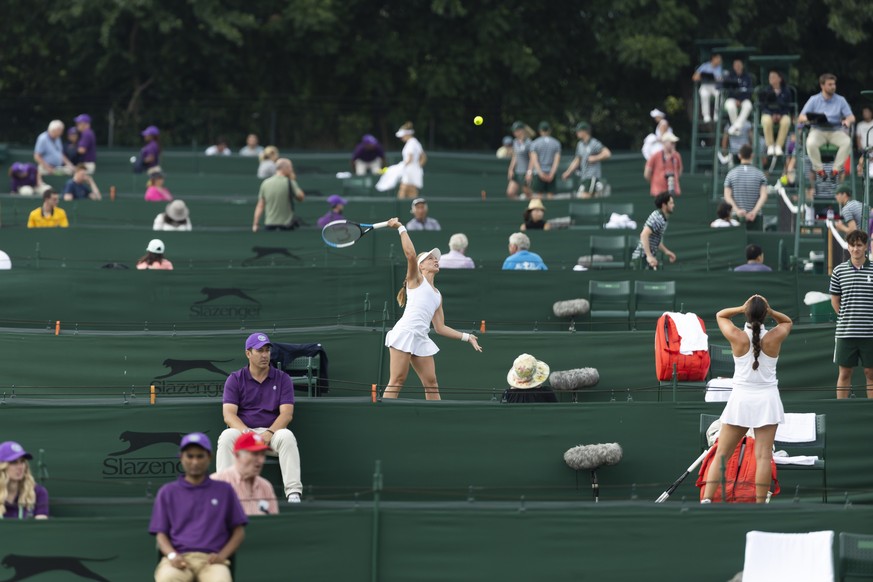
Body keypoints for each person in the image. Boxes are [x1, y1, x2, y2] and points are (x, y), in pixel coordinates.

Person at [701, 295, 793, 504]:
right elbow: (787, 321)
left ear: (746, 313)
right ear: (765, 314)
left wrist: (742, 308)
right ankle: (760, 505)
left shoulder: (737, 336)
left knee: (722, 454)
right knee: (762, 457)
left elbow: (720, 315)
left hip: (741, 400)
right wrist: (770, 311)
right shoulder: (774, 337)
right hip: (767, 401)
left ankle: (706, 500)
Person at [384, 219, 482, 400]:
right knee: (397, 380)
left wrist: (467, 337)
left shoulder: (438, 295)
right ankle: (380, 415)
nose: (435, 260)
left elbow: (440, 327)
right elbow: (410, 254)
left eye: (436, 258)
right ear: (420, 266)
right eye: (430, 258)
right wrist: (400, 228)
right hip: (405, 332)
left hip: (421, 337)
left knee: (431, 383)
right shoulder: (415, 280)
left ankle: (436, 414)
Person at [217, 332, 304, 502]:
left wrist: (269, 433)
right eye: (260, 351)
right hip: (244, 433)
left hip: (272, 434)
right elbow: (228, 415)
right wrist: (247, 433)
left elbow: (287, 413)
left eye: (267, 350)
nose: (265, 355)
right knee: (226, 436)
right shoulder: (235, 379)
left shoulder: (282, 378)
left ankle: (293, 494)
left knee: (287, 436)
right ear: (248, 353)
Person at [150, 433, 247, 582]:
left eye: (200, 456)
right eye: (190, 456)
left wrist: (222, 556)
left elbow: (238, 531)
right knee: (166, 578)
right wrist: (172, 556)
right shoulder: (167, 492)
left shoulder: (225, 490)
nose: (194, 461)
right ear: (181, 457)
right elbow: (161, 534)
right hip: (178, 560)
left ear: (209, 457)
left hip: (211, 561)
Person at [830, 229, 873, 399]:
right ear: (848, 247)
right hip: (845, 333)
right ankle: (842, 409)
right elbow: (835, 299)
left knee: (870, 373)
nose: (856, 249)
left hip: (870, 334)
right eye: (853, 245)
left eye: (859, 245)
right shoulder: (839, 271)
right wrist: (845, 317)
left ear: (866, 247)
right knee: (845, 373)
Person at [798, 73, 855, 182]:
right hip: (818, 130)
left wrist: (847, 121)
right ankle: (819, 170)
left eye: (834, 84)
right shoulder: (814, 99)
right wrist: (811, 118)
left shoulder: (840, 100)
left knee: (847, 142)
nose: (833, 86)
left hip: (835, 130)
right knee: (810, 143)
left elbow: (851, 117)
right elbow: (801, 117)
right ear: (822, 86)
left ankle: (836, 170)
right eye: (830, 84)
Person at [212, 432, 279, 516]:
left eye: (262, 455)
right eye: (255, 454)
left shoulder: (265, 487)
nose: (261, 460)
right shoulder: (216, 483)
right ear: (237, 455)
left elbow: (273, 523)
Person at [252, 158, 305, 231]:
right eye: (290, 167)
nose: (291, 170)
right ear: (285, 168)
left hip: (269, 224)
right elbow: (301, 197)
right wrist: (292, 179)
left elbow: (260, 205)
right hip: (286, 225)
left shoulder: (265, 183)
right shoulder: (290, 182)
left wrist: (255, 224)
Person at [561, 121, 611, 198]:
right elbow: (577, 160)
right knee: (584, 198)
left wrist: (595, 158)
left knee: (584, 197)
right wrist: (568, 172)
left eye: (579, 131)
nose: (577, 133)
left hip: (592, 177)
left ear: (585, 131)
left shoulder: (594, 143)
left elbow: (607, 153)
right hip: (583, 177)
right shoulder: (580, 144)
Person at [723, 144, 768, 231]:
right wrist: (754, 212)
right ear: (752, 155)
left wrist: (737, 211)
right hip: (756, 218)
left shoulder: (731, 174)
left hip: (736, 218)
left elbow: (727, 196)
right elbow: (764, 196)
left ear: (739, 156)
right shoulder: (760, 175)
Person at [0, 441, 49, 520]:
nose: (20, 467)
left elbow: (40, 527)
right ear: (2, 466)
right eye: (14, 462)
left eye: (22, 461)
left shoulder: (38, 492)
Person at [632, 191, 676, 269]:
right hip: (642, 259)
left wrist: (666, 251)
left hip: (645, 258)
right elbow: (644, 235)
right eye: (671, 203)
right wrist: (649, 256)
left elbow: (654, 240)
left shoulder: (661, 218)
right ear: (664, 205)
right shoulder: (658, 217)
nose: (673, 205)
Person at [760, 69, 792, 156]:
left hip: (782, 115)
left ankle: (778, 146)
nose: (771, 79)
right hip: (768, 114)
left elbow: (788, 107)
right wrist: (771, 114)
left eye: (774, 77)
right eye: (770, 77)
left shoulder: (786, 91)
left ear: (779, 79)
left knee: (786, 121)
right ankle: (770, 146)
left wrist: (780, 115)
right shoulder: (765, 91)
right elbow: (763, 107)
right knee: (766, 121)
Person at [527, 121, 561, 199]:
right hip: (551, 173)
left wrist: (540, 173)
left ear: (540, 131)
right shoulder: (556, 143)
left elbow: (534, 161)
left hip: (538, 174)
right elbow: (556, 161)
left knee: (537, 198)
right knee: (550, 197)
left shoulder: (535, 143)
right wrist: (552, 174)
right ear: (549, 130)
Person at [723, 59, 754, 136]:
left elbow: (749, 91)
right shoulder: (729, 76)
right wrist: (736, 99)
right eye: (736, 65)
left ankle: (735, 127)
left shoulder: (747, 77)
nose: (737, 66)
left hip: (744, 99)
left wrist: (740, 100)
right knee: (730, 107)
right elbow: (728, 90)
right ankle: (736, 129)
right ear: (733, 66)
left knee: (748, 106)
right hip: (732, 98)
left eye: (739, 65)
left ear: (742, 66)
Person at [396, 122, 425, 200]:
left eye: (402, 136)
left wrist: (402, 166)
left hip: (410, 170)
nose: (401, 138)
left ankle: (399, 211)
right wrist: (417, 168)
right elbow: (423, 157)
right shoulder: (415, 142)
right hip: (412, 170)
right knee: (411, 191)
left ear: (407, 134)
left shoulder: (411, 143)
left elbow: (410, 158)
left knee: (404, 190)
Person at [692, 52, 724, 124]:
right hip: (705, 85)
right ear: (713, 58)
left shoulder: (720, 68)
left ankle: (717, 115)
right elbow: (694, 77)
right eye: (718, 59)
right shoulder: (705, 66)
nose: (719, 61)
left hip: (716, 86)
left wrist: (717, 78)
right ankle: (706, 116)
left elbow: (723, 79)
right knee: (704, 94)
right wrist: (702, 77)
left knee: (719, 95)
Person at [506, 121, 534, 199]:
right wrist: (511, 169)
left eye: (516, 130)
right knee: (510, 192)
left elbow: (532, 159)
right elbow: (515, 157)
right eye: (514, 131)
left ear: (521, 130)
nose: (514, 133)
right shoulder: (515, 142)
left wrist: (529, 172)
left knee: (528, 194)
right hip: (518, 172)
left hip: (525, 172)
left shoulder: (529, 143)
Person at [855, 106, 873, 179]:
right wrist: (861, 150)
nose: (865, 114)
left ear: (871, 113)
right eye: (864, 112)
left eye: (867, 112)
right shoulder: (860, 125)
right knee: (861, 163)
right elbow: (858, 138)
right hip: (864, 151)